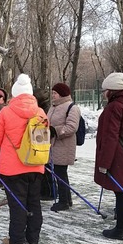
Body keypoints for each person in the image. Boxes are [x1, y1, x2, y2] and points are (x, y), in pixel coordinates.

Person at [0, 74, 47, 244]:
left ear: (15, 93)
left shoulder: (6, 112)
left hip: (13, 169)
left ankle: (17, 240)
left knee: (17, 205)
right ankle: (33, 238)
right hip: (36, 165)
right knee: (34, 203)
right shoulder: (40, 112)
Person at [94, 72, 123, 240]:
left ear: (112, 90)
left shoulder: (115, 107)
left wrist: (104, 163)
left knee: (122, 193)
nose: (104, 93)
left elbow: (110, 136)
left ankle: (120, 230)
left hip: (118, 156)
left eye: (105, 90)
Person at [46, 82, 81, 211]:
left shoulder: (72, 107)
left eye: (55, 93)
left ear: (61, 94)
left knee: (60, 173)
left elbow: (72, 127)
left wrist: (56, 130)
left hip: (64, 145)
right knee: (59, 173)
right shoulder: (53, 106)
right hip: (53, 144)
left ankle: (64, 201)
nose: (53, 95)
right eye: (52, 93)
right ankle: (66, 198)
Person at [33, 88, 54, 200]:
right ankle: (45, 191)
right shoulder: (44, 108)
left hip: (43, 139)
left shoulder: (44, 110)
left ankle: (49, 192)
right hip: (41, 139)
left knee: (47, 168)